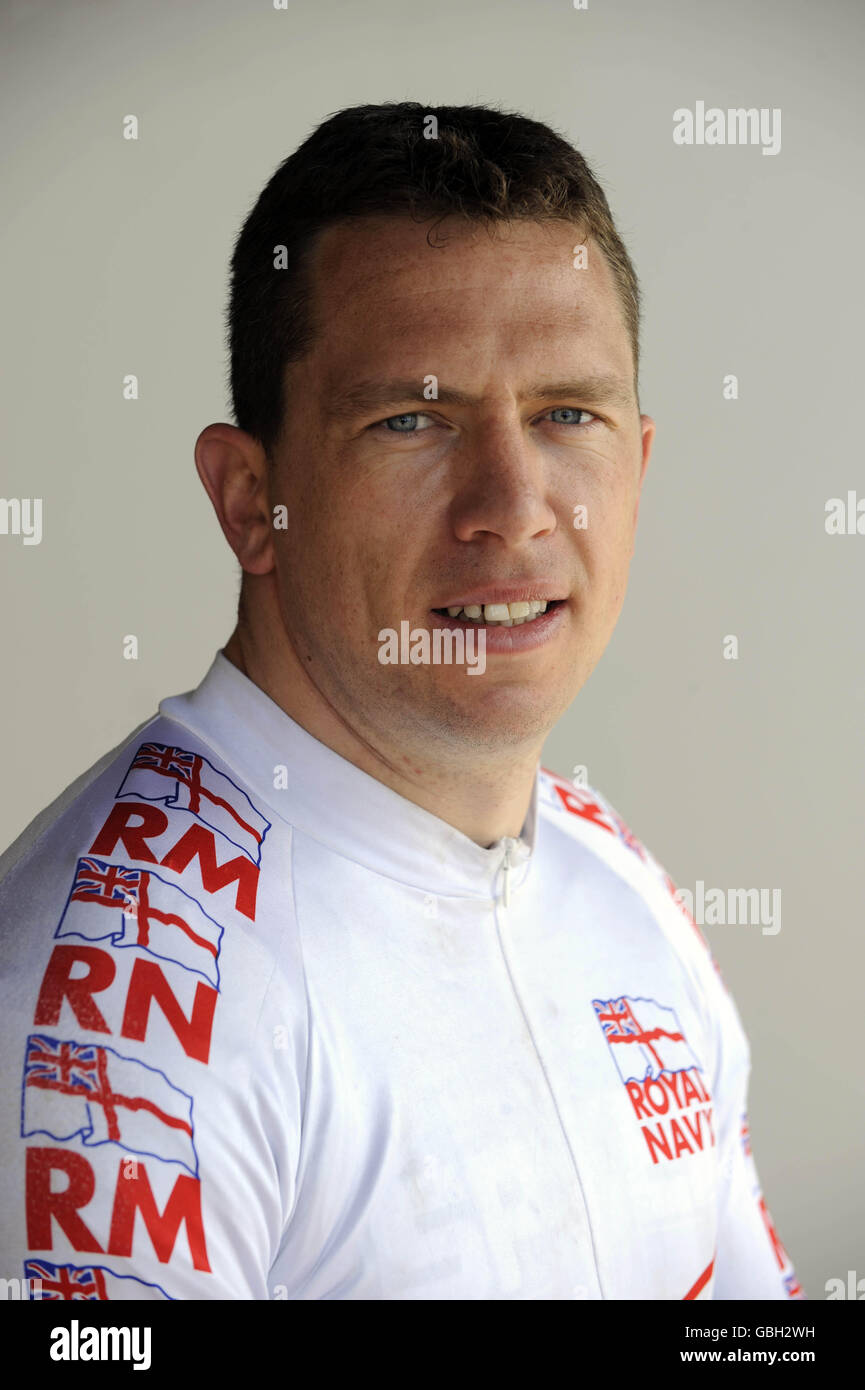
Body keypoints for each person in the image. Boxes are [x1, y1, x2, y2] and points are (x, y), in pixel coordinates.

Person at [0, 102, 803, 1301]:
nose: (513, 505)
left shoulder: (620, 888)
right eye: (412, 421)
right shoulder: (108, 1011)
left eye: (566, 415)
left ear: (637, 467)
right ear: (245, 499)